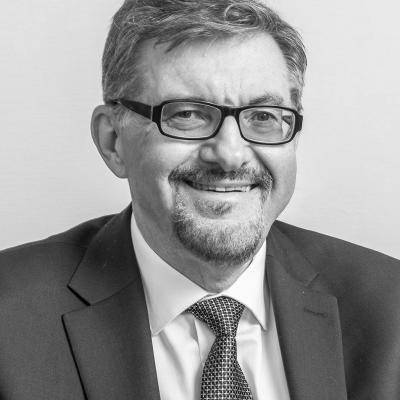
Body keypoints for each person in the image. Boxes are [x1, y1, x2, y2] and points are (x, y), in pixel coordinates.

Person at [0, 0, 399, 399]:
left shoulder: (390, 308)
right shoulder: (9, 319)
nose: (230, 154)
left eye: (263, 116)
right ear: (113, 141)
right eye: (187, 115)